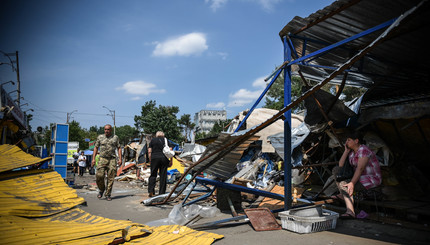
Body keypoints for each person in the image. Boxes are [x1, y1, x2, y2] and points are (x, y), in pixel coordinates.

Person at [333, 131, 382, 218]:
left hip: (371, 178)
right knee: (336, 170)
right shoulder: (352, 153)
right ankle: (343, 194)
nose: (346, 142)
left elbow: (360, 168)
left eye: (349, 140)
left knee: (344, 185)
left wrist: (352, 183)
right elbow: (341, 165)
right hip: (359, 177)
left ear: (356, 141)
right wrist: (346, 151)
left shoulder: (363, 149)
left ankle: (350, 212)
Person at [91, 124, 122, 201]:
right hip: (102, 159)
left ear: (111, 130)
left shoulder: (115, 137)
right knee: (99, 175)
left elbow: (119, 148)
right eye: (105, 129)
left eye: (108, 129)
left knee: (110, 177)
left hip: (112, 159)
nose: (106, 131)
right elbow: (96, 147)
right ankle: (101, 189)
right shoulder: (100, 137)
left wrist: (120, 159)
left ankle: (108, 194)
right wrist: (93, 159)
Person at [147, 131, 173, 197]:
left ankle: (151, 191)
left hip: (154, 158)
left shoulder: (152, 140)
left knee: (153, 174)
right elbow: (170, 150)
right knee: (163, 176)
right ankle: (161, 193)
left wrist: (150, 160)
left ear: (156, 135)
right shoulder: (166, 140)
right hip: (164, 159)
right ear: (163, 135)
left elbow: (149, 151)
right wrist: (171, 160)